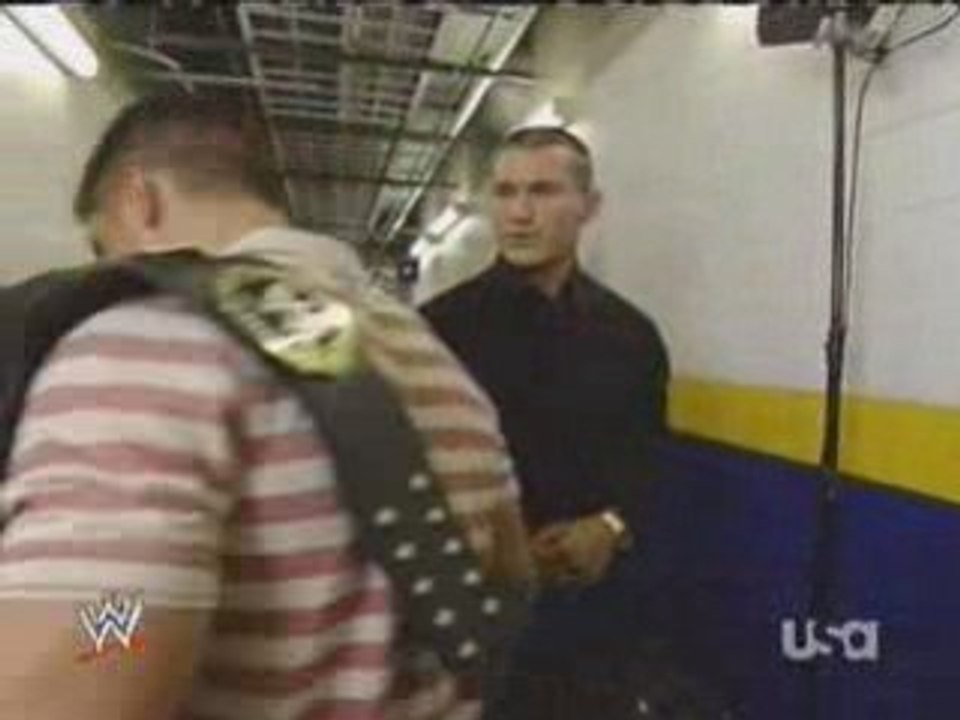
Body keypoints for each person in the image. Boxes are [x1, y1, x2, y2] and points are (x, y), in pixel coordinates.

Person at [0, 92, 532, 720]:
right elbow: (509, 578)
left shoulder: (146, 345)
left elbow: (94, 661)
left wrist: (114, 611)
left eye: (101, 243)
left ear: (136, 199)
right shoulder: (439, 366)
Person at [422, 126, 670, 718]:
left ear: (589, 207)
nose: (520, 214)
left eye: (543, 191)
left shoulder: (631, 337)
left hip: (592, 625)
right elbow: (405, 473)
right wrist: (503, 549)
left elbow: (649, 465)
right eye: (505, 193)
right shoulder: (438, 331)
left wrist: (609, 528)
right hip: (470, 618)